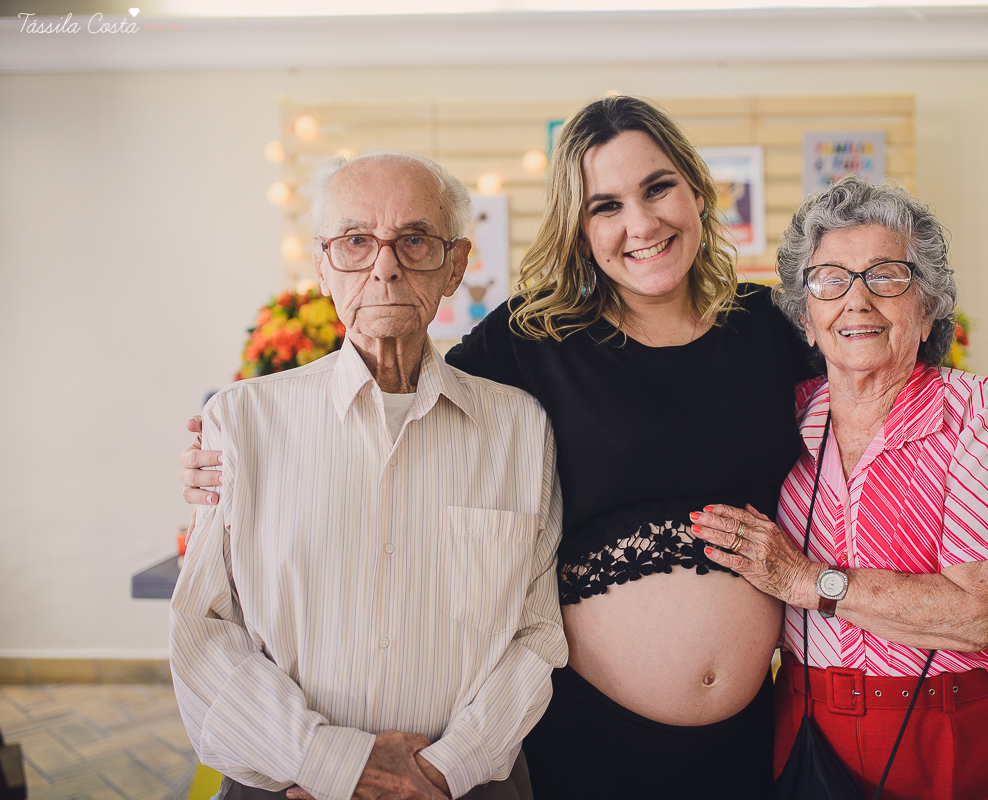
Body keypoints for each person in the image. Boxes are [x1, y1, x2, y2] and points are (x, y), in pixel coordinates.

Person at [181, 96, 814, 799]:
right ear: (579, 229)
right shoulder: (533, 340)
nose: (640, 223)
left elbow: (865, 431)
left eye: (658, 187)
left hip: (754, 728)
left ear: (697, 190)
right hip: (587, 731)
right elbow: (405, 385)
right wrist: (233, 456)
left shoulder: (771, 326)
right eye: (605, 205)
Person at [170, 152, 566, 800]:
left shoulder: (519, 428)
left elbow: (538, 632)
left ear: (455, 266)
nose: (384, 266)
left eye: (413, 240)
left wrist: (444, 769)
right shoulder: (241, 422)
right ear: (324, 266)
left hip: (469, 785)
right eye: (356, 241)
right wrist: (330, 764)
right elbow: (205, 630)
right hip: (289, 785)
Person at [691, 176, 988, 799]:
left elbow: (984, 612)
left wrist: (804, 580)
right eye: (831, 279)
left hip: (950, 728)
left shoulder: (973, 413)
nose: (857, 301)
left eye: (886, 275)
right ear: (806, 317)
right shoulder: (787, 417)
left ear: (929, 304)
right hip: (802, 722)